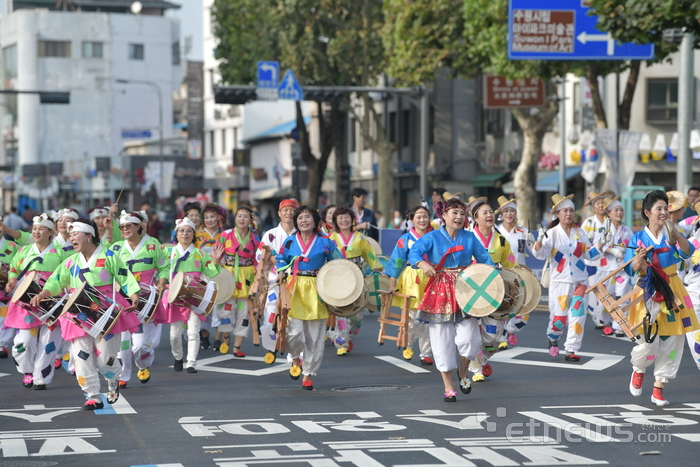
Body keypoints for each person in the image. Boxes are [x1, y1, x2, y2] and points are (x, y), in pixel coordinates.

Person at [30, 218, 141, 410]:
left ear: (89, 236)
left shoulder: (109, 256)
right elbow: (55, 281)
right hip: (78, 312)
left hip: (106, 310)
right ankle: (92, 394)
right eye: (70, 235)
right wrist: (42, 293)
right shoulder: (70, 261)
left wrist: (134, 296)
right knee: (81, 355)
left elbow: (125, 277)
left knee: (105, 360)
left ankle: (113, 378)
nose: (71, 238)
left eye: (75, 234)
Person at [408, 198, 494, 402]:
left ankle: (463, 371)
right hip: (440, 290)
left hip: (467, 288)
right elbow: (414, 252)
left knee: (471, 339)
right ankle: (448, 387)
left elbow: (486, 260)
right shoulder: (432, 237)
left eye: (462, 213)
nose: (459, 217)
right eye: (454, 212)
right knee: (441, 341)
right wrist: (422, 263)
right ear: (443, 215)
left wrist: (494, 275)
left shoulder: (470, 238)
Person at [624, 190, 700, 406]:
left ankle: (659, 387)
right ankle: (639, 370)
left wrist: (677, 235)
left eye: (666, 208)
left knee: (673, 340)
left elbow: (687, 253)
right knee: (647, 340)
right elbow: (630, 269)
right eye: (659, 209)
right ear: (648, 213)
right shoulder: (637, 238)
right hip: (648, 289)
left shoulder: (672, 231)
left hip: (673, 289)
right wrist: (639, 260)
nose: (664, 212)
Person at [531, 193, 604, 362]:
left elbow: (589, 254)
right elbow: (540, 255)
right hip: (560, 282)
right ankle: (553, 336)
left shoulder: (580, 232)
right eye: (565, 211)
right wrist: (539, 241)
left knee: (578, 317)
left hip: (580, 282)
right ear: (557, 214)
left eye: (571, 210)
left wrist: (601, 244)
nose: (569, 214)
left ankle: (571, 349)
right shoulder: (552, 233)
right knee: (559, 318)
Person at [276, 205, 341, 390]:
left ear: (315, 221)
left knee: (315, 335)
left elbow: (338, 262)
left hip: (317, 289)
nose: (304, 221)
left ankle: (308, 373)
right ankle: (295, 357)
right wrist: (281, 271)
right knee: (294, 333)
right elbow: (280, 258)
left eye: (307, 217)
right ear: (296, 222)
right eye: (300, 218)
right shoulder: (289, 241)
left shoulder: (326, 242)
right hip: (295, 288)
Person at [4, 214, 66, 390]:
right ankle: (27, 370)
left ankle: (41, 377)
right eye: (34, 229)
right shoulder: (24, 251)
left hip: (52, 302)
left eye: (41, 229)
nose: (37, 232)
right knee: (24, 342)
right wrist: (12, 280)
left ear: (50, 232)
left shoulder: (60, 253)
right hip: (27, 303)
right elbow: (14, 268)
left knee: (48, 343)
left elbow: (66, 276)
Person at [111, 212, 169, 388]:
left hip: (146, 299)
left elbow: (164, 265)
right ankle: (124, 375)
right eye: (122, 227)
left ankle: (143, 364)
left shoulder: (153, 245)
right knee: (124, 344)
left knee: (140, 346)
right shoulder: (116, 248)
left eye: (129, 226)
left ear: (139, 226)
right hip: (124, 300)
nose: (125, 230)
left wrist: (161, 282)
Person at [162, 218, 222, 373]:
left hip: (195, 295)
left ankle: (191, 363)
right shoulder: (169, 252)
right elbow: (161, 270)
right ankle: (178, 357)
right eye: (182, 230)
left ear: (193, 234)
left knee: (193, 331)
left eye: (189, 231)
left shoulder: (199, 254)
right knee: (174, 335)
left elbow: (210, 272)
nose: (185, 234)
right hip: (176, 295)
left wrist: (215, 261)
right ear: (176, 233)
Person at [468, 199, 517, 382]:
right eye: (484, 213)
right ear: (475, 217)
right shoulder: (467, 238)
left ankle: (484, 356)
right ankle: (476, 367)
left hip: (495, 292)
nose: (489, 216)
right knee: (471, 332)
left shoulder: (501, 241)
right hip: (470, 291)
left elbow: (511, 265)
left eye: (491, 212)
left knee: (493, 336)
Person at [328, 207, 383, 355]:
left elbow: (370, 256)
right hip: (337, 280)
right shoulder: (329, 239)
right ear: (335, 221)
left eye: (346, 217)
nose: (344, 220)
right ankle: (341, 344)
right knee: (339, 313)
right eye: (340, 218)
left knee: (356, 316)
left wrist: (379, 269)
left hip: (357, 279)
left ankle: (345, 335)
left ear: (352, 219)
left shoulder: (361, 238)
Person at [385, 205, 434, 365]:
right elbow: (396, 261)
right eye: (418, 216)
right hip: (411, 280)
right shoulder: (404, 239)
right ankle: (409, 343)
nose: (422, 220)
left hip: (431, 277)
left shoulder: (435, 236)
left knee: (430, 319)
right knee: (412, 318)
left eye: (425, 216)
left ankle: (426, 353)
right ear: (411, 219)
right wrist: (392, 283)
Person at [214, 206, 260, 356]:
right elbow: (216, 256)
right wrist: (216, 260)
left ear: (250, 220)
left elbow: (258, 261)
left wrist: (259, 279)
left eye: (245, 216)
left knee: (244, 313)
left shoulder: (255, 239)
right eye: (239, 216)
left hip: (246, 278)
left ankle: (236, 347)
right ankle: (226, 340)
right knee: (224, 312)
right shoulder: (225, 235)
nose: (241, 219)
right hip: (227, 276)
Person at [257, 199, 298, 355]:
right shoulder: (270, 234)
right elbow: (259, 255)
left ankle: (294, 352)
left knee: (294, 317)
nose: (289, 213)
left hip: (297, 281)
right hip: (275, 281)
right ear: (279, 213)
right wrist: (270, 258)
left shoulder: (301, 233)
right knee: (271, 313)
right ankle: (270, 346)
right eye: (285, 210)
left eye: (292, 209)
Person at [495, 196, 531, 346]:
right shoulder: (496, 232)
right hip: (501, 275)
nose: (509, 214)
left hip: (520, 276)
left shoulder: (523, 231)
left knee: (524, 311)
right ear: (501, 215)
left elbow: (537, 253)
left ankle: (509, 331)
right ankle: (501, 337)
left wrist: (535, 241)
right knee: (502, 309)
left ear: (516, 213)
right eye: (506, 211)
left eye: (512, 211)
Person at [598, 196, 633, 337]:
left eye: (621, 210)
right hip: (606, 268)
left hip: (622, 269)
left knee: (621, 297)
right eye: (616, 210)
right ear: (609, 213)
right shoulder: (602, 229)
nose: (619, 213)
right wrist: (611, 250)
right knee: (606, 298)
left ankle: (619, 325)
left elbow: (632, 246)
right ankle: (605, 322)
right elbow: (597, 246)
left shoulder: (627, 230)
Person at [581, 192, 609, 329]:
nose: (601, 205)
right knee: (594, 292)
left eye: (602, 202)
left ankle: (604, 318)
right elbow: (581, 243)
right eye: (598, 203)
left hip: (608, 261)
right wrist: (590, 240)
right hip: (592, 262)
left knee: (607, 291)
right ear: (593, 207)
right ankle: (598, 317)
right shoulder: (588, 223)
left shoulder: (610, 221)